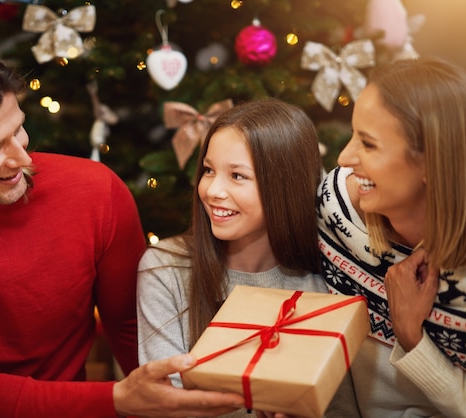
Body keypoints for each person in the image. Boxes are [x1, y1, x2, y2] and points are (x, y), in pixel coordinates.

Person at [0, 36, 245, 418]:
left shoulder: (95, 191)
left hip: (63, 407)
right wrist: (117, 399)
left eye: (19, 129)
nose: (22, 158)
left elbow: (129, 325)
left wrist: (162, 401)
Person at [317, 56, 466, 417]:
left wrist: (412, 336)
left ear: (431, 162)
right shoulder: (335, 204)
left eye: (369, 143)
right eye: (352, 135)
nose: (344, 157)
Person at [137, 97, 360, 417]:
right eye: (209, 170)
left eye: (237, 176)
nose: (212, 190)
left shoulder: (329, 278)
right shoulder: (166, 268)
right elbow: (166, 406)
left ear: (283, 186)